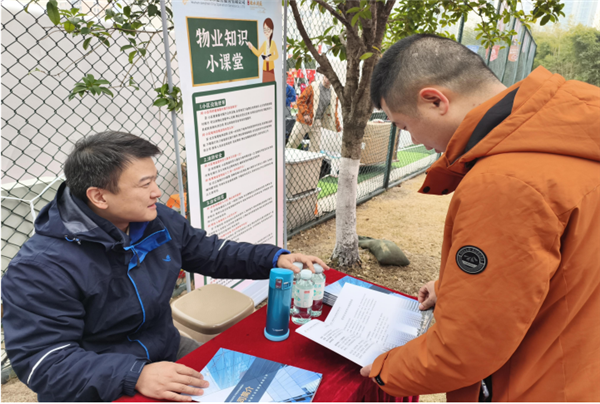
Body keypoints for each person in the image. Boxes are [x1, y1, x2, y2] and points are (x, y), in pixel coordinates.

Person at [1, 131, 328, 402]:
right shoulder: (39, 269)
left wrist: (273, 258)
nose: (157, 192)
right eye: (145, 184)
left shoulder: (156, 220)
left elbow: (208, 252)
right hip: (99, 379)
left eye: (154, 180)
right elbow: (45, 362)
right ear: (99, 197)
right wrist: (134, 374)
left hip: (164, 346)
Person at [360, 34, 600, 401]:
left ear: (435, 100)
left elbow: (466, 350)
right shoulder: (571, 131)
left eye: (405, 126)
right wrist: (454, 286)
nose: (413, 141)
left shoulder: (503, 182)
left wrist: (383, 370)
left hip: (538, 385)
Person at [286, 75, 342, 153]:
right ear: (323, 76)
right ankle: (286, 162)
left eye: (330, 78)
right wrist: (305, 113)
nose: (328, 79)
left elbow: (333, 111)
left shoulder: (333, 94)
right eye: (327, 77)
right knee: (293, 144)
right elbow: (301, 100)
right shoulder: (313, 87)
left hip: (317, 122)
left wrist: (337, 125)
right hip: (303, 121)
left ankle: (312, 164)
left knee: (315, 149)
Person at [247, 18, 278, 83]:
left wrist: (270, 58)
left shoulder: (273, 43)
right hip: (265, 68)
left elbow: (276, 55)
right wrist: (252, 47)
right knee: (265, 84)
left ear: (271, 30)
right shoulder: (264, 43)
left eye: (268, 29)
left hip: (270, 68)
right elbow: (258, 53)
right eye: (264, 30)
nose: (266, 32)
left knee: (271, 85)